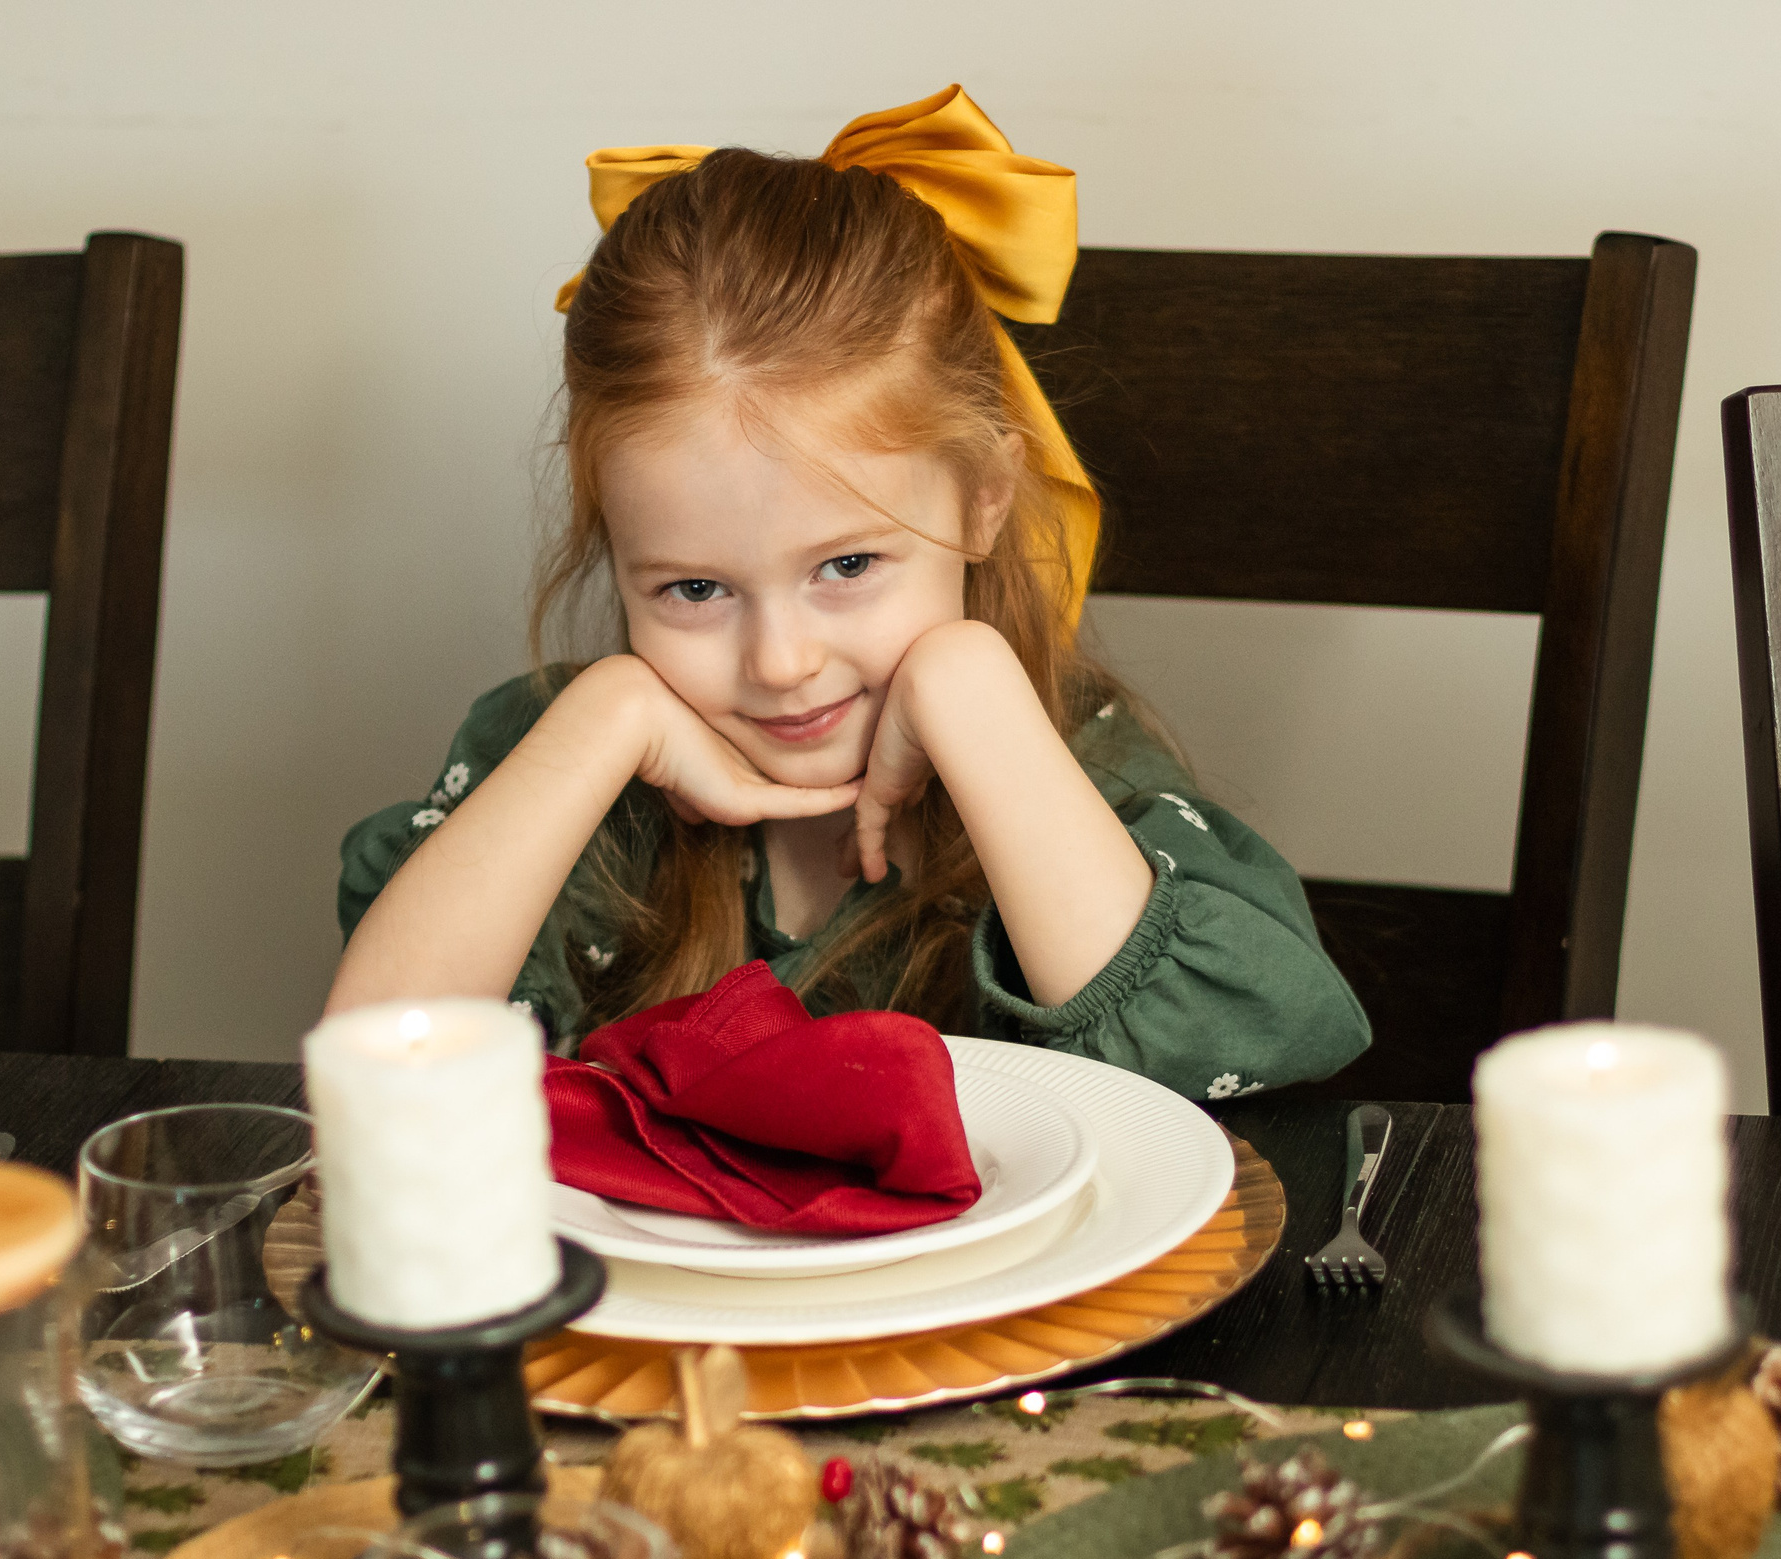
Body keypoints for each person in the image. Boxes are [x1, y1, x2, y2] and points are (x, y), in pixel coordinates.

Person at [330, 88, 1370, 1104]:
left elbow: (1251, 1049)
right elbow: (379, 1060)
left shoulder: (1066, 766)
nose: (779, 662)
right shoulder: (572, 764)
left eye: (847, 567)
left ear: (982, 503)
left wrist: (969, 689)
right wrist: (603, 718)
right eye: (693, 587)